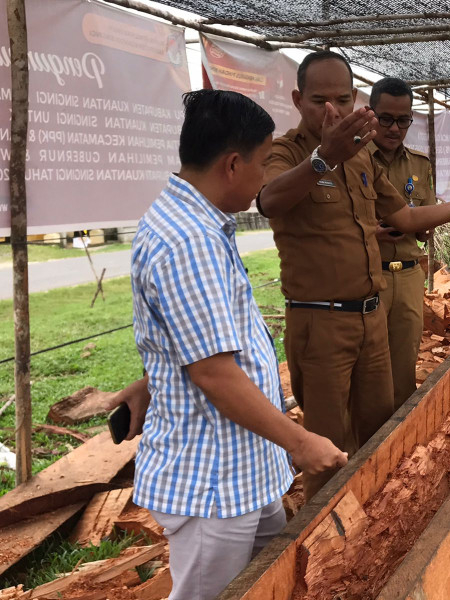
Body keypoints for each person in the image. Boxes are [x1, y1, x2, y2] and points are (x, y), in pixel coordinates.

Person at [257, 50, 450, 500]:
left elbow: (405, 218)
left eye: (343, 99)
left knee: (382, 430)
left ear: (355, 98)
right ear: (297, 100)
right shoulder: (287, 152)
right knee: (328, 447)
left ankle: (379, 519)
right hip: (320, 322)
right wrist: (324, 158)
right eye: (318, 100)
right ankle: (325, 538)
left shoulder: (361, 156)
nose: (333, 111)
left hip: (370, 318)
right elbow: (268, 200)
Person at [120, 89, 346, 600]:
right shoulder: (189, 241)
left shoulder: (198, 224)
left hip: (245, 467)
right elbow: (214, 374)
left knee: (265, 580)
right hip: (214, 483)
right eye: (264, 163)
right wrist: (301, 442)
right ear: (232, 164)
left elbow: (195, 338)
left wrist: (153, 379)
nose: (264, 176)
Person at [368, 77, 436, 410]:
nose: (394, 128)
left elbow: (425, 225)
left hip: (409, 275)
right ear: (371, 114)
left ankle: (400, 440)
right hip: (368, 278)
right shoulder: (353, 161)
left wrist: (425, 225)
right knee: (369, 367)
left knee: (404, 366)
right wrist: (372, 232)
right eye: (386, 118)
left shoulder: (420, 166)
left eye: (403, 120)